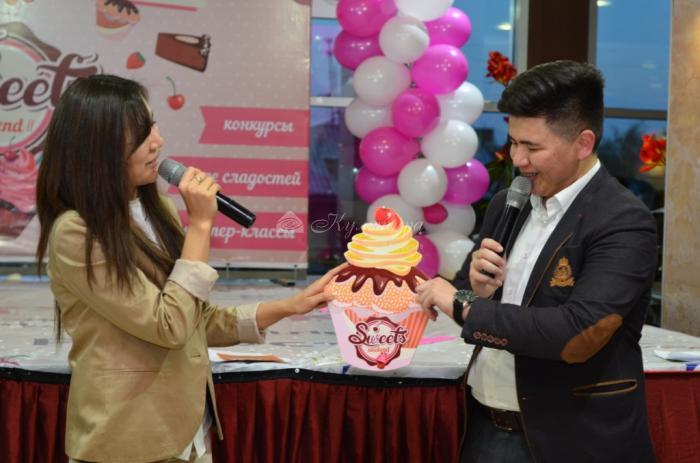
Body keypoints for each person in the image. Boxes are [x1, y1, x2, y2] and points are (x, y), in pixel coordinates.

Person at [35, 74, 344, 463]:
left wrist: (289, 306)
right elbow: (168, 325)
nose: (158, 142)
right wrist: (200, 226)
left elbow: (195, 319)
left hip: (189, 435)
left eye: (154, 126)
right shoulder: (77, 232)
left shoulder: (157, 209)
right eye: (141, 134)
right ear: (98, 146)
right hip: (128, 440)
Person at [416, 60, 657, 463]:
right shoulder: (508, 203)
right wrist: (473, 289)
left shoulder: (623, 221)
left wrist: (463, 304)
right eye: (513, 142)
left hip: (573, 437)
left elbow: (576, 334)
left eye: (532, 147)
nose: (518, 159)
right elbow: (467, 296)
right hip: (485, 422)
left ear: (583, 143)